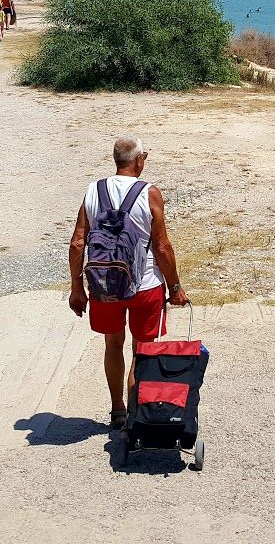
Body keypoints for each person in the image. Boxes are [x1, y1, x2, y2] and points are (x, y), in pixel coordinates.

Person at [68, 137, 190, 426]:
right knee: (142, 350)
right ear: (138, 161)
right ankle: (136, 415)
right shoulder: (150, 193)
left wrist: (76, 288)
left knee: (113, 345)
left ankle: (117, 411)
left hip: (104, 285)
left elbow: (77, 243)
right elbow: (162, 247)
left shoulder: (93, 191)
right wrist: (174, 287)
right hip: (145, 285)